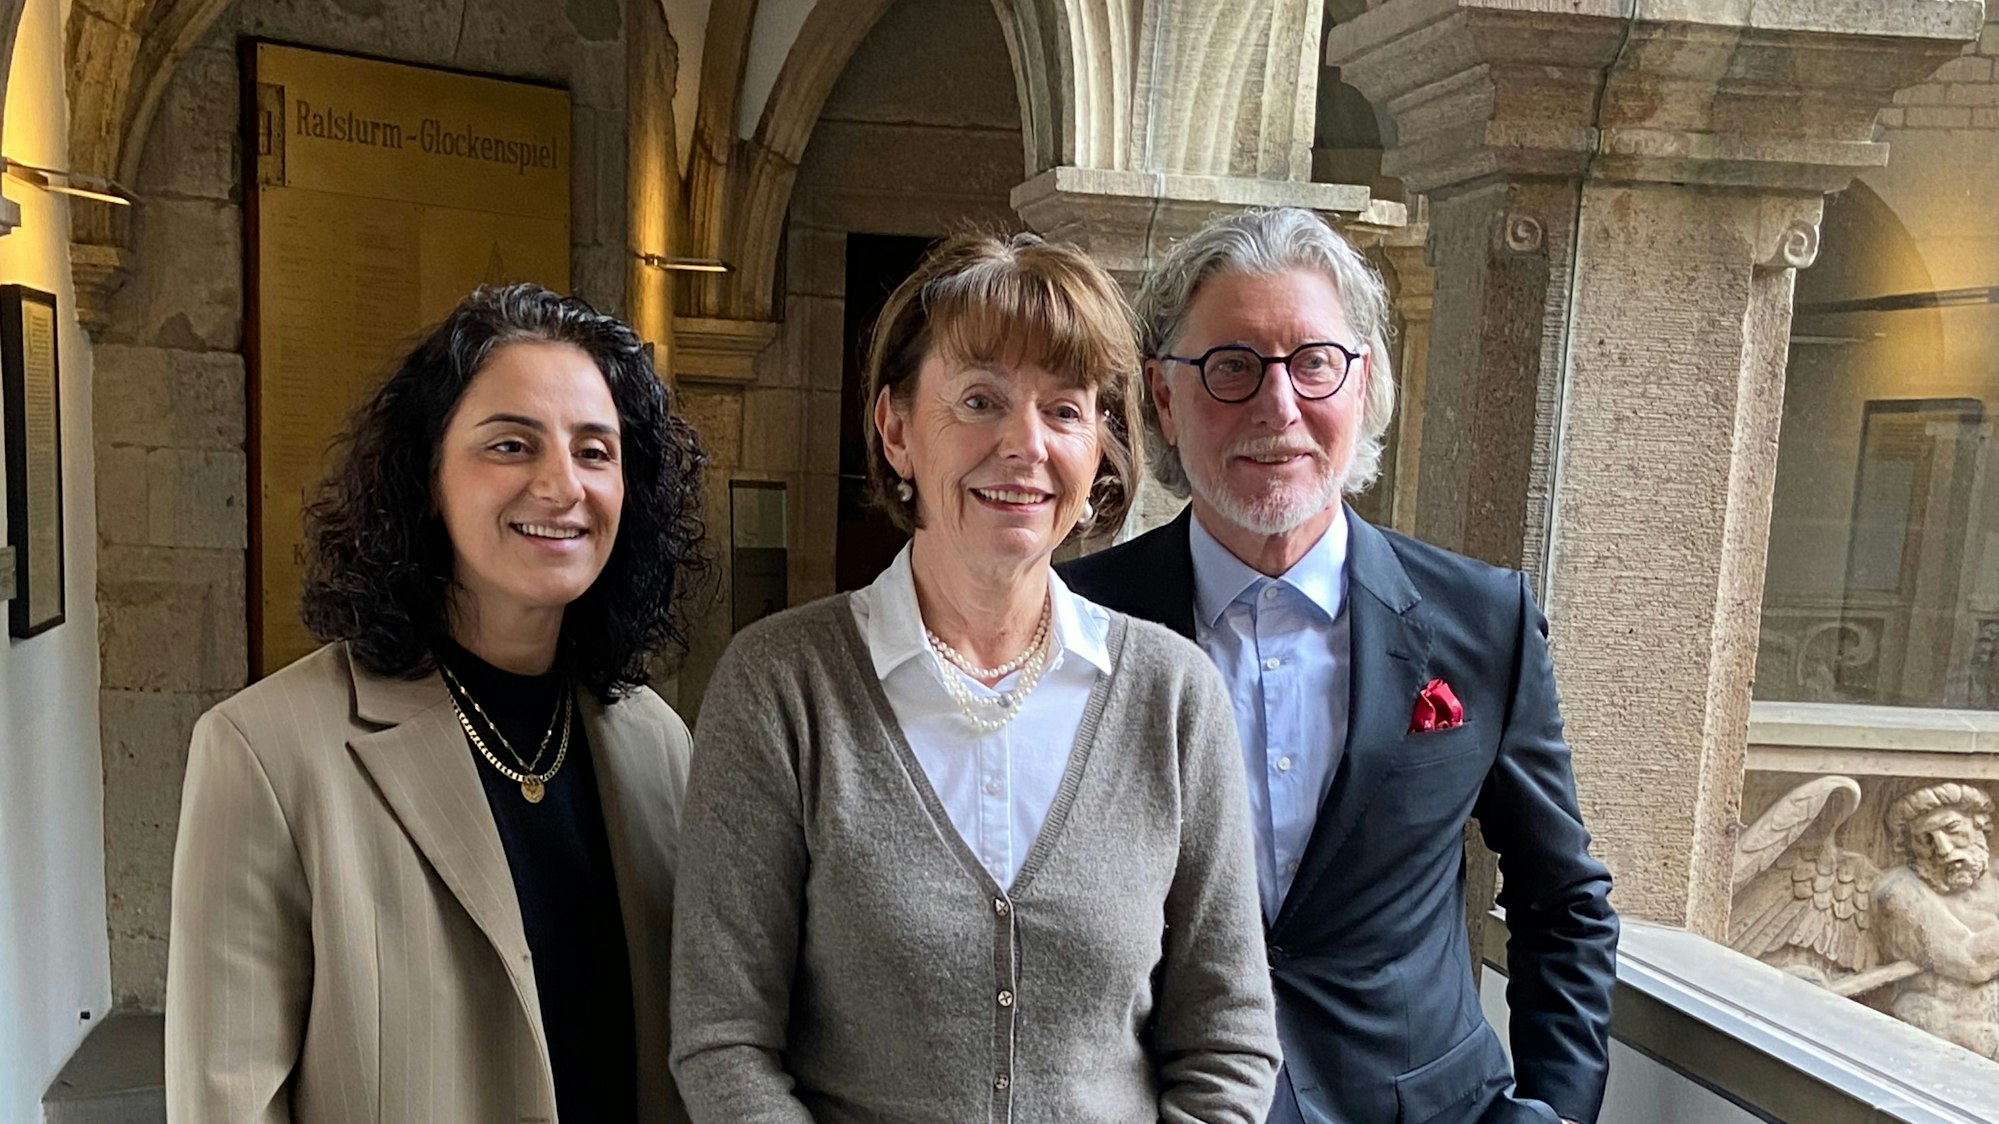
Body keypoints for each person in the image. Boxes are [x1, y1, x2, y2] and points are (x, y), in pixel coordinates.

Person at [670, 231, 1279, 1123]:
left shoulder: (1172, 696)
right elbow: (724, 1039)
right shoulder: (781, 688)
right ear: (896, 428)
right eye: (980, 400)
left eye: (1065, 410)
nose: (1024, 446)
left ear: (1100, 447)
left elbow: (1226, 1040)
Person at [1061, 207, 1619, 1124]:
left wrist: (1553, 1110)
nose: (1277, 407)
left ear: (1362, 383)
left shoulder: (1482, 622)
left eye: (1313, 362)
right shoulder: (1076, 622)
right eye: (1231, 367)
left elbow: (1562, 900)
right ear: (1163, 397)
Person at [166, 284, 708, 1124]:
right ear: (427, 478)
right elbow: (226, 1104)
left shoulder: (656, 743)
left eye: (595, 451)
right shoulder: (265, 754)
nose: (562, 485)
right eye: (511, 445)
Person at [1874, 782, 1999, 1058]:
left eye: (1952, 830)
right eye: (1925, 839)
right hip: (1940, 1047)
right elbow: (1970, 961)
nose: (1942, 849)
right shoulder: (1900, 892)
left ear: (1979, 825)